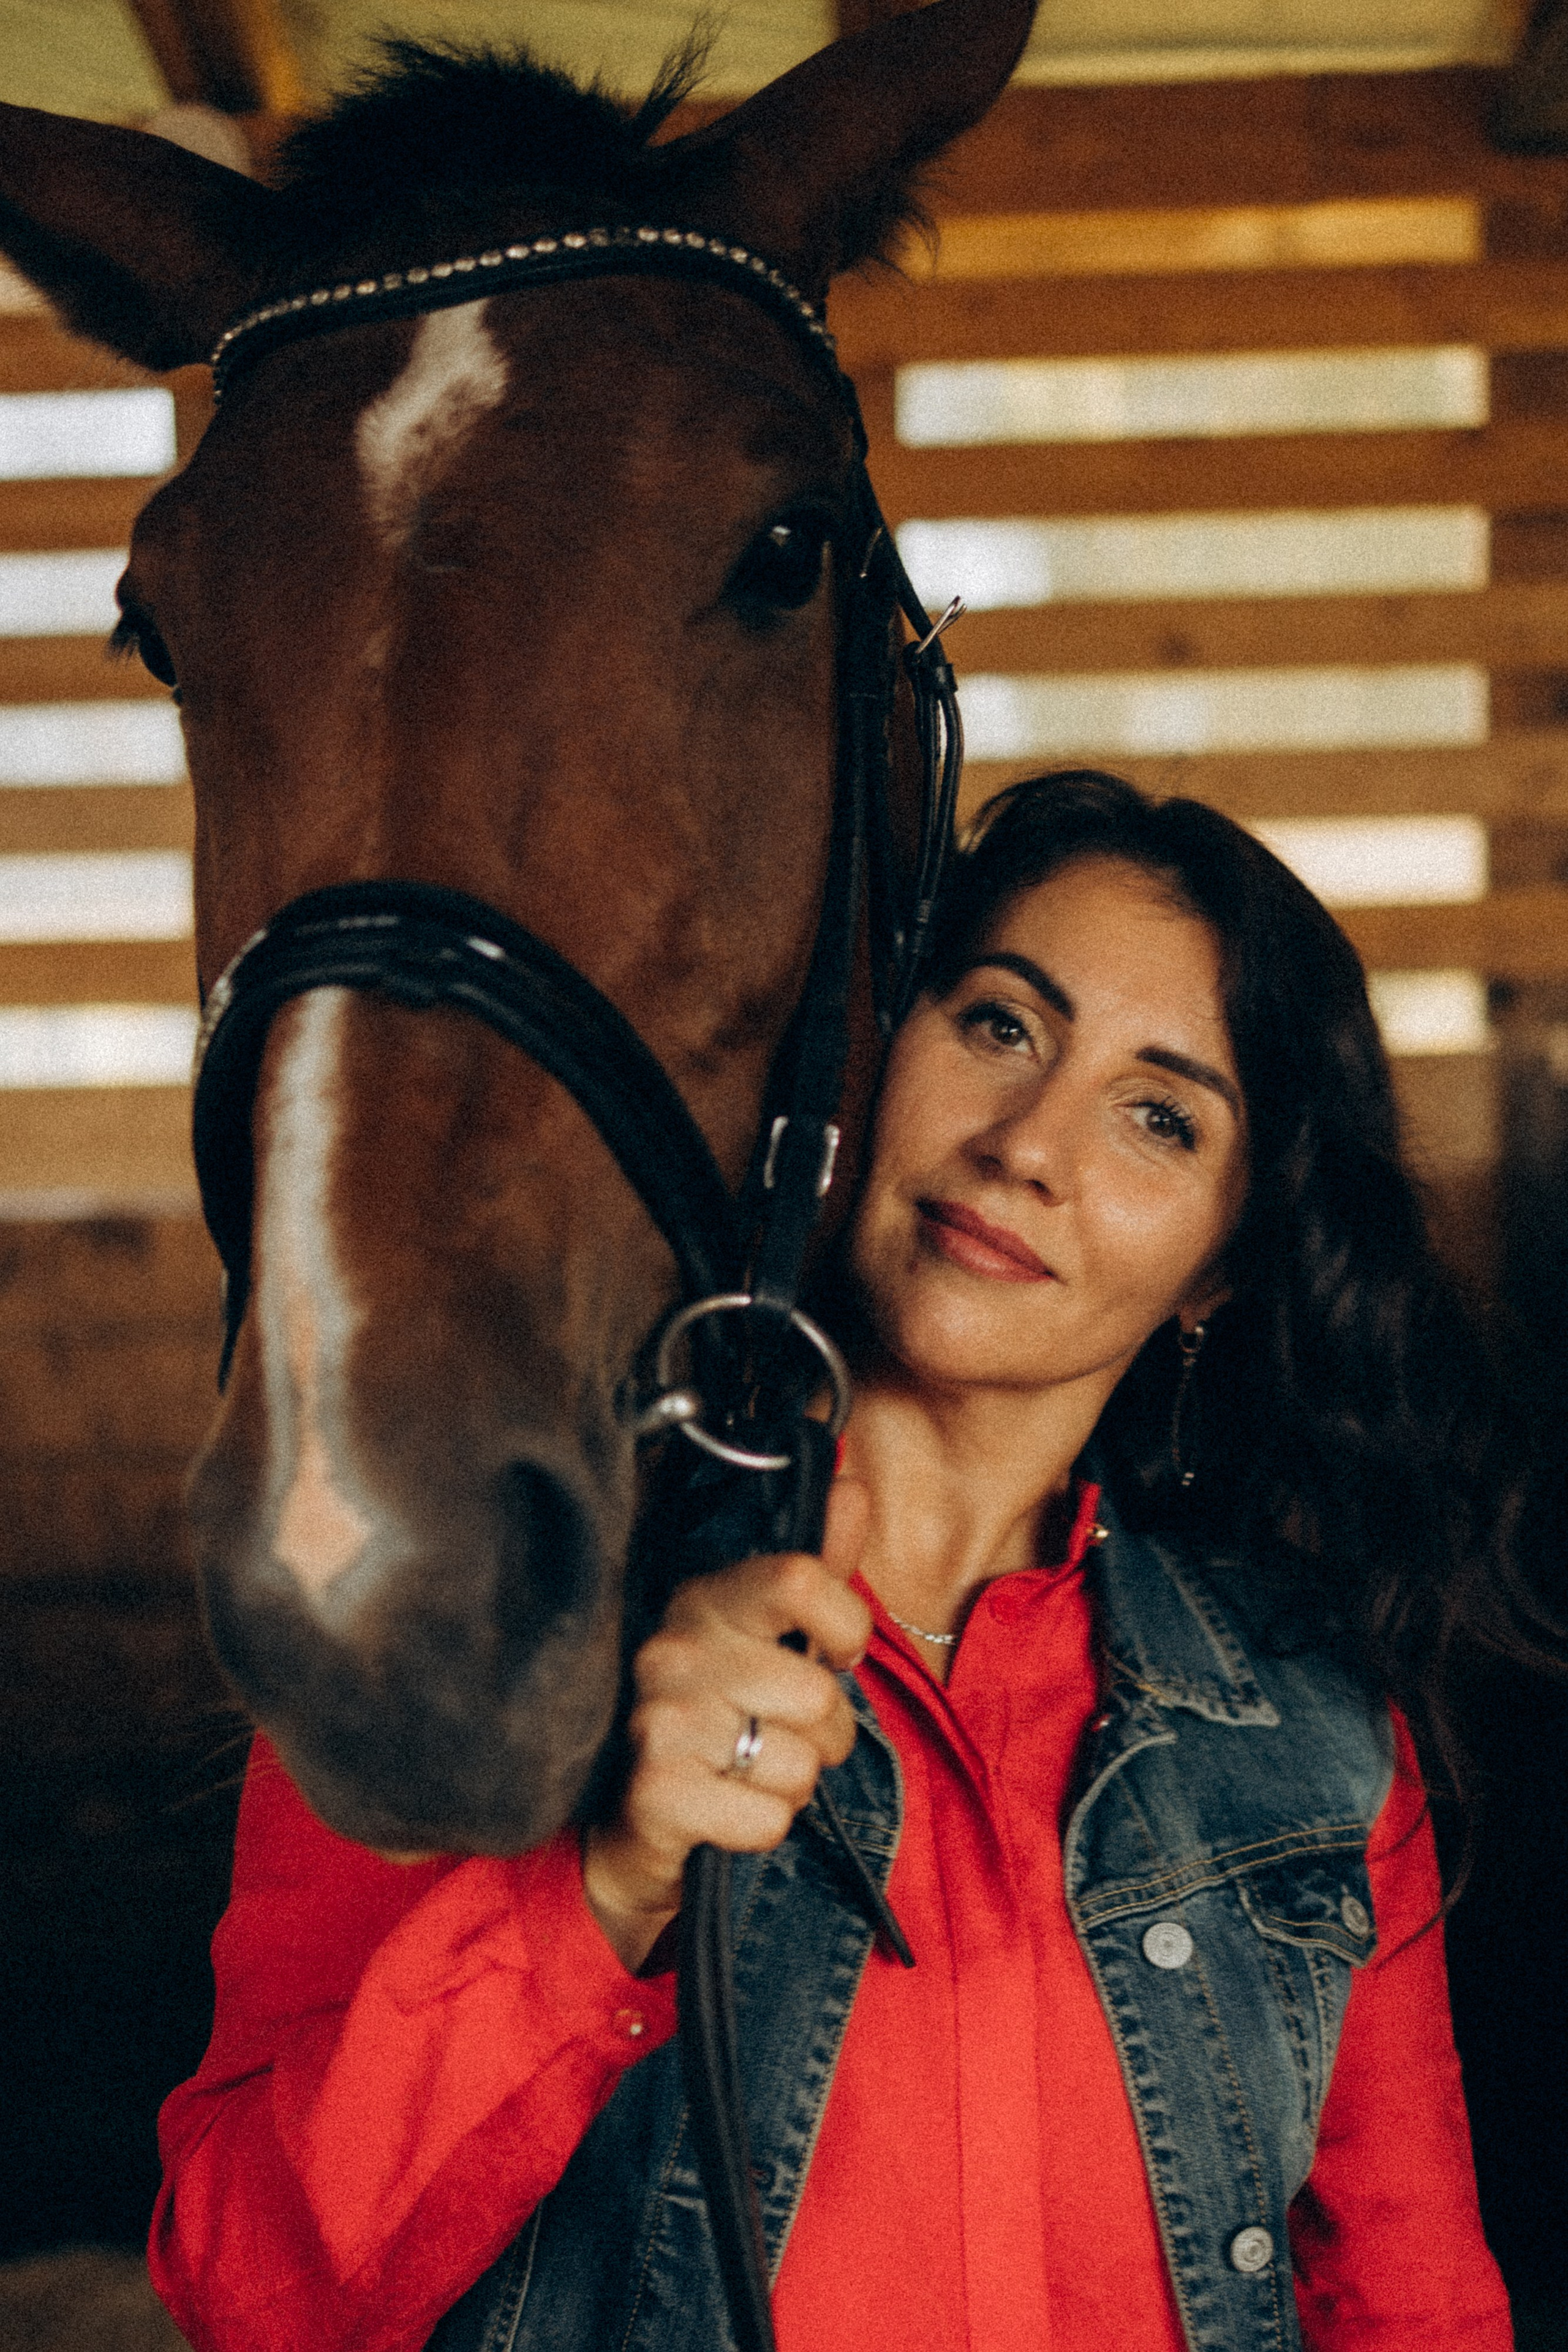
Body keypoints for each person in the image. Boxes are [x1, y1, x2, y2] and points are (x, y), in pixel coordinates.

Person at [151, 771, 1522, 2352]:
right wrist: (599, 1887)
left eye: (1160, 1115)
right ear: (872, 1047)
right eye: (1000, 1024)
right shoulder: (471, 1607)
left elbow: (1416, 2310)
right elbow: (250, 2295)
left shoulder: (1320, 1744)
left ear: (1224, 1260)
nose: (1026, 1145)